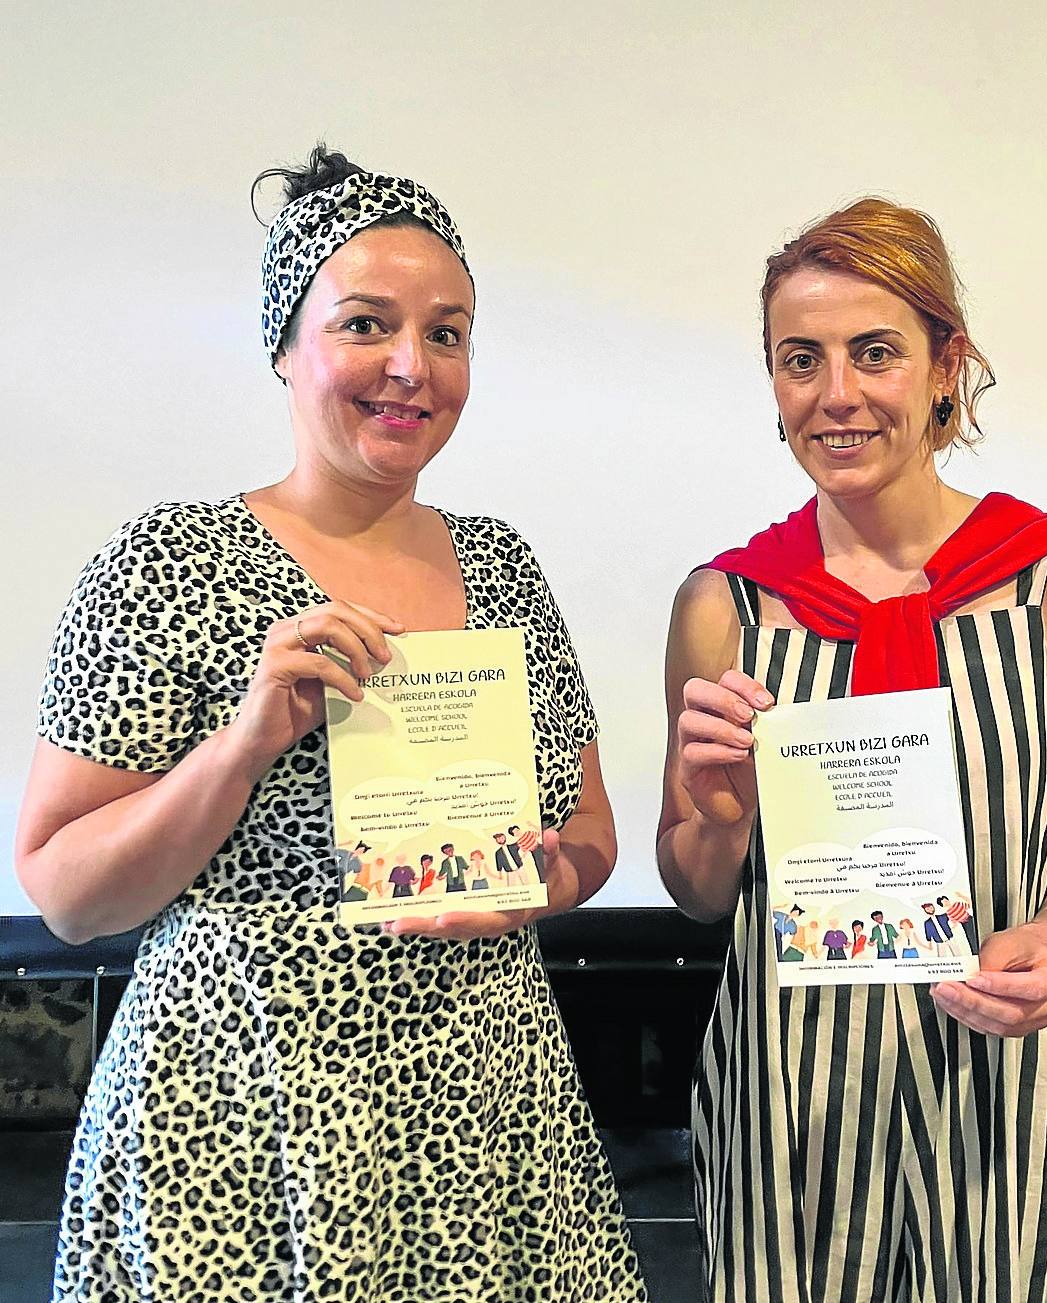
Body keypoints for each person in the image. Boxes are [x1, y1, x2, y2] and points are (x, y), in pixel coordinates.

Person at [17, 144, 647, 1302]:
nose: (412, 365)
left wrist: (538, 885)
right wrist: (246, 737)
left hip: (485, 1118)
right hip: (236, 1130)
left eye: (447, 333)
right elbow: (65, 892)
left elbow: (592, 835)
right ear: (284, 344)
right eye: (366, 323)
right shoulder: (169, 560)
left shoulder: (502, 565)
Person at [657, 197, 1047, 1300]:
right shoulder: (722, 604)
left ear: (946, 366)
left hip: (1006, 1075)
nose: (834, 394)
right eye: (800, 360)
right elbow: (696, 893)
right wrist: (718, 813)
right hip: (787, 1093)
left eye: (872, 352)